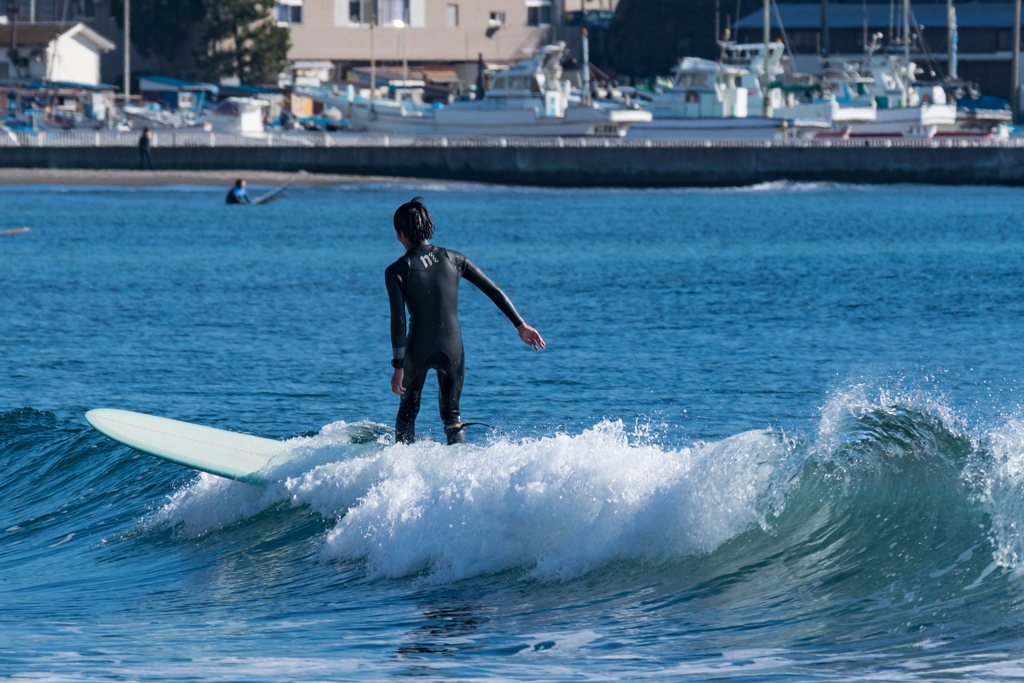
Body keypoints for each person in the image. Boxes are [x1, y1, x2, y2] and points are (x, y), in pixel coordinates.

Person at [385, 197, 544, 445]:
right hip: (453, 349)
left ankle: (400, 473)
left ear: (399, 234)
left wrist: (398, 365)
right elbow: (494, 291)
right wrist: (520, 325)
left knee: (407, 412)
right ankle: (459, 472)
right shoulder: (455, 259)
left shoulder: (397, 270)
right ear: (428, 228)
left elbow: (398, 321)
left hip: (417, 349)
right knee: (452, 416)